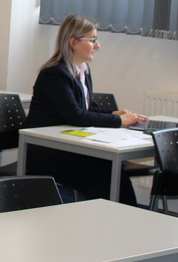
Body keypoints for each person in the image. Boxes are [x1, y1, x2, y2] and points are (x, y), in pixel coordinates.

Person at [24, 14, 146, 205]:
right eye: (92, 40)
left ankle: (119, 215)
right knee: (106, 172)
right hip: (48, 153)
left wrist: (115, 114)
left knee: (111, 170)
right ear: (73, 42)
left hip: (69, 147)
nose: (97, 46)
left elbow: (88, 108)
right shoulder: (55, 73)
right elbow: (75, 115)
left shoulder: (83, 70)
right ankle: (111, 214)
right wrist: (118, 121)